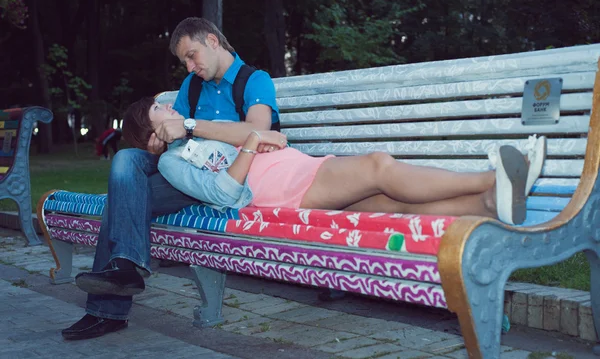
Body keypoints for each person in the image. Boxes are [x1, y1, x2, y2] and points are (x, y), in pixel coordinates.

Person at [61, 17, 280, 341]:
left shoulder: (254, 80)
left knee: (121, 202)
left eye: (192, 55)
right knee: (125, 160)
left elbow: (257, 131)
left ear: (212, 41)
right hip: (181, 166)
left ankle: (109, 306)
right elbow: (172, 133)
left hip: (218, 175)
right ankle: (124, 270)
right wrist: (157, 141)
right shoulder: (192, 87)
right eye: (184, 61)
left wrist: (190, 126)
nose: (190, 67)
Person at [118, 97, 547, 229]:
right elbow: (226, 193)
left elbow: (273, 135)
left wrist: (203, 128)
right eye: (158, 109)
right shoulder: (172, 163)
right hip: (279, 188)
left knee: (390, 201)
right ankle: (497, 177)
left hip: (292, 168)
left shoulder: (197, 131)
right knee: (378, 166)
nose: (166, 104)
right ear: (151, 134)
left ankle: (490, 205)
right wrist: (249, 145)